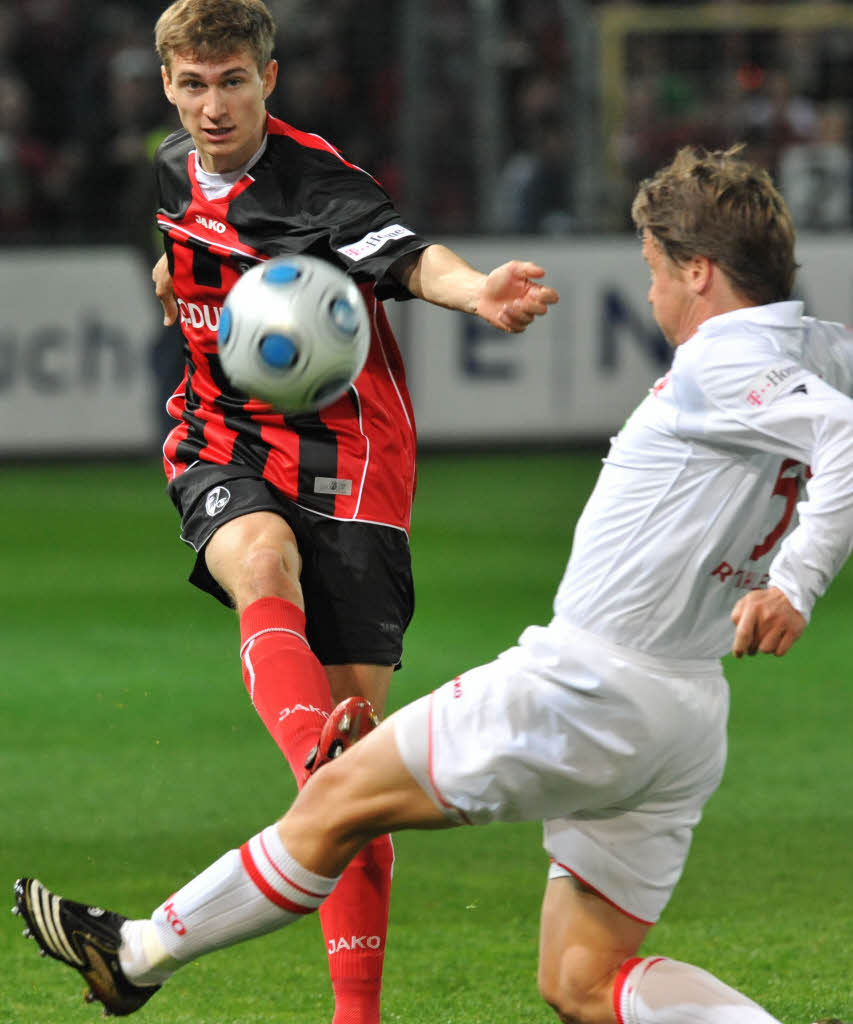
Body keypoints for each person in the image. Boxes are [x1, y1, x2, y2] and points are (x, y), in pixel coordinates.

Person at [15, 145, 853, 1024]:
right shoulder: (814, 348)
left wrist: (794, 580)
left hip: (585, 687)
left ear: (699, 269)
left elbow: (842, 436)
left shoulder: (728, 361)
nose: (649, 296)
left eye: (654, 272)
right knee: (580, 981)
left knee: (333, 800)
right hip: (681, 719)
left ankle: (138, 953)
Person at [119, 2, 558, 1023]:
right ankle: (323, 742)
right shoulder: (173, 169)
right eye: (193, 84)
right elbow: (181, 247)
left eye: (233, 80)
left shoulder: (314, 181)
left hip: (351, 462)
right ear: (168, 88)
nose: (213, 104)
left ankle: (354, 1013)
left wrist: (478, 291)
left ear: (268, 78)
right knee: (257, 556)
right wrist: (172, 276)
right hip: (221, 436)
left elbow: (408, 257)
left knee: (350, 802)